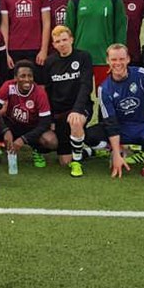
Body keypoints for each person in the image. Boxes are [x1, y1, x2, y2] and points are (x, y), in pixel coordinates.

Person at [87, 44, 144, 178]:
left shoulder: (141, 74)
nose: (118, 63)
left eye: (121, 59)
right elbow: (111, 123)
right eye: (114, 59)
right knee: (90, 136)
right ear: (107, 61)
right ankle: (117, 151)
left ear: (128, 59)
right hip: (121, 129)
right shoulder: (104, 89)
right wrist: (116, 153)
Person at [64, 0, 126, 88]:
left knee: (105, 95)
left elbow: (120, 30)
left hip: (105, 59)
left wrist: (118, 57)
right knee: (80, 95)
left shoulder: (114, 0)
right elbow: (68, 31)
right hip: (80, 59)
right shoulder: (75, 1)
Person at [44, 26, 93, 177]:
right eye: (58, 41)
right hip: (60, 113)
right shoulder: (50, 62)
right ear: (54, 45)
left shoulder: (83, 57)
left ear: (71, 40)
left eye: (64, 40)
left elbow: (86, 85)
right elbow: (48, 91)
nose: (62, 44)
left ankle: (77, 163)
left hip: (80, 107)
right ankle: (88, 150)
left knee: (75, 121)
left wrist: (77, 109)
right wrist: (51, 119)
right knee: (65, 161)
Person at [0, 60, 57, 168]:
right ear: (15, 78)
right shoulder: (8, 86)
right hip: (11, 124)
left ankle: (37, 150)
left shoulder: (39, 93)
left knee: (51, 141)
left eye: (30, 76)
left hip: (31, 128)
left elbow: (45, 123)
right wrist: (4, 130)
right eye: (22, 76)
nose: (27, 79)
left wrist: (23, 139)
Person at [0, 0, 51, 77]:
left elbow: (47, 22)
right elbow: (4, 26)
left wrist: (44, 50)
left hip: (36, 49)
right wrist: (6, 53)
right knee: (15, 85)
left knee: (38, 85)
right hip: (14, 50)